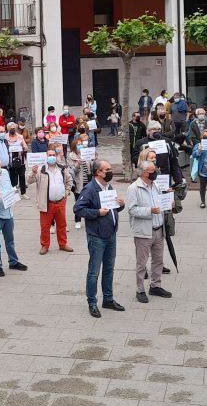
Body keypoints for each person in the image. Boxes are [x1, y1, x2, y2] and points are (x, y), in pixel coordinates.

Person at [74, 158, 126, 318]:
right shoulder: (90, 189)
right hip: (97, 236)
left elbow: (112, 209)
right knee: (94, 272)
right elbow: (78, 209)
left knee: (109, 269)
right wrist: (96, 213)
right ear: (98, 172)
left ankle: (108, 299)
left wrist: (121, 204)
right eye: (107, 169)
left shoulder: (108, 186)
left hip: (110, 234)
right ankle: (92, 302)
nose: (110, 172)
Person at [126, 158, 169, 303]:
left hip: (159, 229)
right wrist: (150, 210)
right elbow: (132, 210)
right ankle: (140, 289)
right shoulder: (134, 188)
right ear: (144, 173)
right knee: (141, 263)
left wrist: (168, 200)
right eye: (152, 171)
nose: (155, 173)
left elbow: (160, 202)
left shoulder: (155, 185)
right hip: (144, 231)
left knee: (158, 261)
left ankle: (155, 286)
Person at [0, 155, 26, 276]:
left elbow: (8, 187)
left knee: (10, 240)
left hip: (8, 213)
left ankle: (13, 261)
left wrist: (14, 193)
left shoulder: (5, 172)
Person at [68, 134, 93, 229]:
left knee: (90, 201)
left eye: (81, 144)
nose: (80, 146)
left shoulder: (87, 153)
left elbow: (92, 166)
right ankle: (77, 220)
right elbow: (72, 171)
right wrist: (78, 165)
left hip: (88, 180)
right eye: (78, 145)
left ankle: (89, 219)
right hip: (79, 182)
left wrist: (93, 158)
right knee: (79, 201)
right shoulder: (71, 156)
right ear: (74, 147)